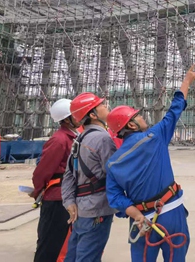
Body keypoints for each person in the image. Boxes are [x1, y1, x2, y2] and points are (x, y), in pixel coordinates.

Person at [106, 65, 195, 262]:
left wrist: (136, 215)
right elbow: (175, 109)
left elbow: (115, 198)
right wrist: (186, 81)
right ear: (131, 125)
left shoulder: (113, 163)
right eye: (137, 116)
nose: (142, 117)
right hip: (171, 212)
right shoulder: (154, 137)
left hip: (141, 222)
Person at [61, 93, 117, 262]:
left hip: (81, 208)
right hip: (96, 210)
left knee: (74, 256)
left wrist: (69, 201)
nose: (106, 107)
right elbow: (114, 174)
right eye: (102, 105)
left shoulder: (79, 138)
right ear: (93, 114)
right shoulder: (102, 138)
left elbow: (69, 174)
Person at [32, 99, 81, 262]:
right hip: (57, 198)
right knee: (50, 241)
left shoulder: (74, 136)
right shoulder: (59, 140)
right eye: (75, 114)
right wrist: (38, 190)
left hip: (67, 195)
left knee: (62, 239)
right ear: (66, 119)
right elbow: (43, 170)